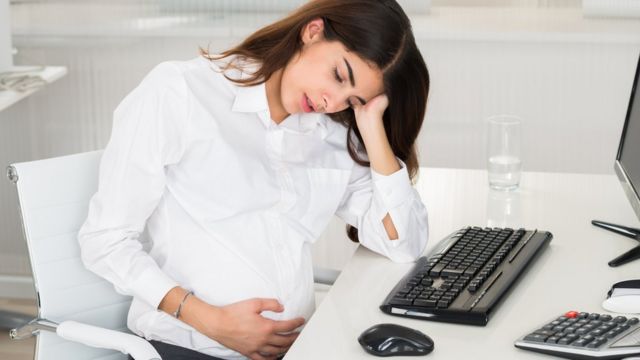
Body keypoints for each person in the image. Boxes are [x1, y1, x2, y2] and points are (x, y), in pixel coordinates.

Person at [78, 0, 430, 359]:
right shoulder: (181, 92)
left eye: (352, 99)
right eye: (339, 75)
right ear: (312, 32)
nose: (331, 101)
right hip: (189, 347)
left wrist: (372, 127)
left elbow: (402, 243)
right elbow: (105, 241)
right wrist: (212, 321)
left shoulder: (332, 133)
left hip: (298, 349)